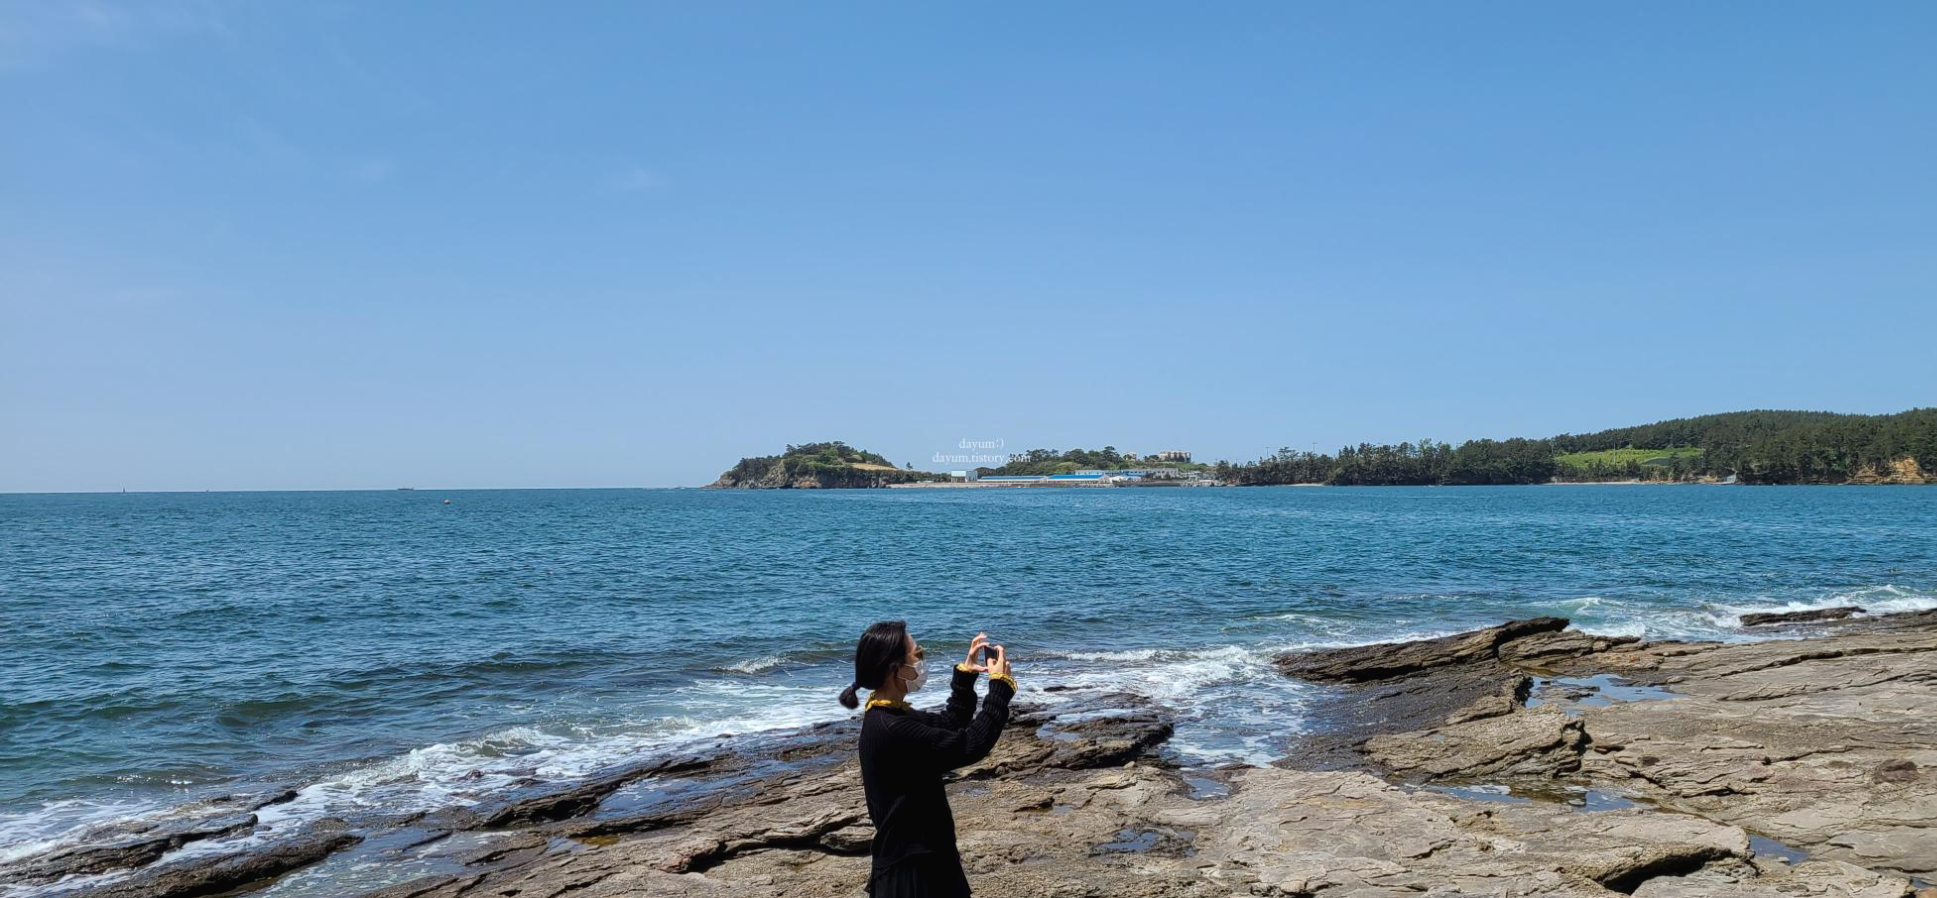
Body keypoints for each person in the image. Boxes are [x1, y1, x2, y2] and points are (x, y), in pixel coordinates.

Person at [838, 621, 1015, 898]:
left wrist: (967, 674)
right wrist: (999, 688)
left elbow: (950, 723)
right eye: (917, 653)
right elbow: (972, 744)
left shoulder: (890, 714)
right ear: (895, 668)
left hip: (925, 861)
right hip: (912, 875)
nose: (922, 658)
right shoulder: (893, 728)